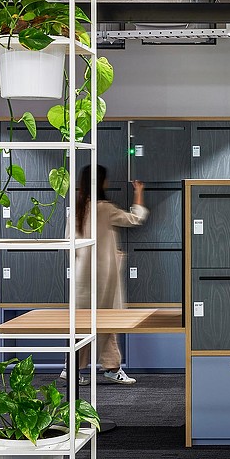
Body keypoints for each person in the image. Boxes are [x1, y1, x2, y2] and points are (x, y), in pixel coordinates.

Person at [60, 164, 148, 386]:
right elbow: (134, 219)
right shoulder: (105, 208)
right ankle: (111, 368)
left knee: (81, 323)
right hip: (103, 276)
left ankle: (72, 369)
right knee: (106, 319)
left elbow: (69, 242)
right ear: (101, 183)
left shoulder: (77, 208)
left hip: (82, 275)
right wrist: (138, 193)